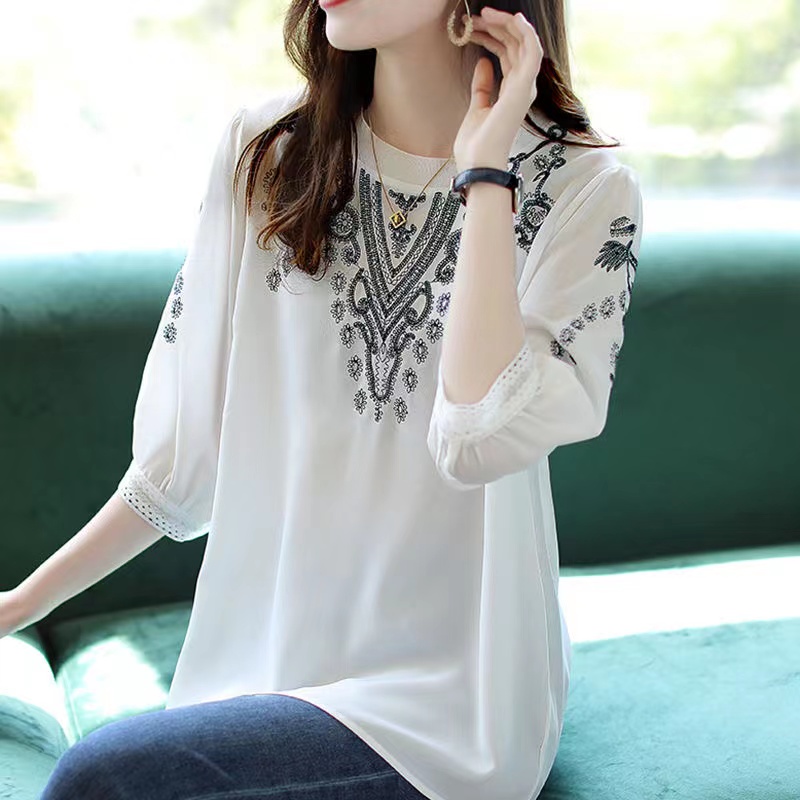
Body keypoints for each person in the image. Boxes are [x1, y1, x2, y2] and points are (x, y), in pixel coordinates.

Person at [2, 1, 644, 798]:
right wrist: (17, 605)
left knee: (101, 781)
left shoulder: (584, 191)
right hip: (263, 667)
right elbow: (180, 464)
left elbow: (478, 439)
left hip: (452, 709)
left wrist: (486, 176)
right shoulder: (267, 150)